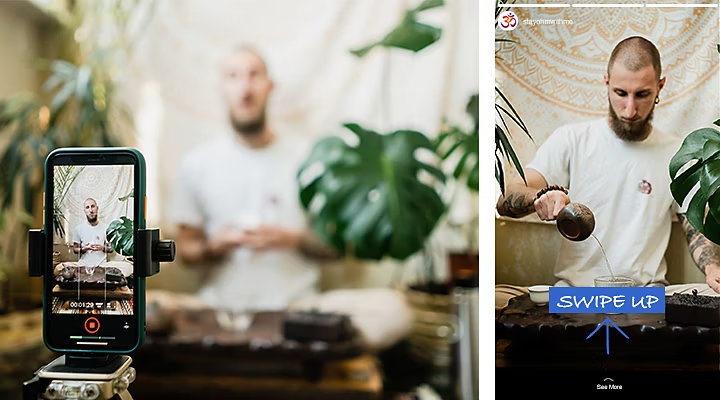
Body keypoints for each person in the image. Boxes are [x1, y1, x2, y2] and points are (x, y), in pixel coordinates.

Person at [495, 36, 720, 310]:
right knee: (495, 298)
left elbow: (694, 223)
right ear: (606, 83)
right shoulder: (571, 140)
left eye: (642, 94)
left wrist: (712, 267)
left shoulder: (678, 154)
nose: (630, 110)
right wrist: (538, 199)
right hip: (574, 296)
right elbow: (506, 199)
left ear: (660, 86)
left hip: (645, 298)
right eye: (621, 93)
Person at [167, 45, 338, 312]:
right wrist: (215, 246)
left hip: (299, 309)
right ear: (222, 88)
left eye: (254, 75)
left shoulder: (309, 159)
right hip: (220, 308)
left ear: (270, 86)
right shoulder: (197, 164)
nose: (245, 89)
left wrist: (292, 239)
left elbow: (337, 246)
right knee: (147, 311)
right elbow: (186, 250)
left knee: (393, 310)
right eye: (234, 76)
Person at [72, 198, 113, 267]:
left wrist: (102, 248)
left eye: (93, 206)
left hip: (102, 265)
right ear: (85, 211)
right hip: (83, 265)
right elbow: (75, 250)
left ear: (97, 208)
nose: (91, 210)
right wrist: (84, 249)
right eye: (87, 207)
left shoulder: (106, 228)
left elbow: (111, 249)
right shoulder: (78, 229)